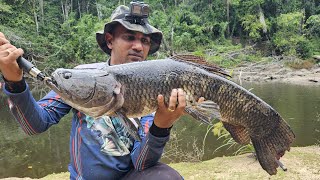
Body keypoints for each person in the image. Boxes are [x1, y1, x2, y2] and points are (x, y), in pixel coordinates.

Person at [0, 3, 203, 180]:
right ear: (109, 40)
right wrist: (14, 82)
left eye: (145, 41)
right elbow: (34, 125)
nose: (138, 46)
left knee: (166, 177)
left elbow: (141, 163)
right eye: (129, 37)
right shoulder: (81, 79)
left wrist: (161, 126)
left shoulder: (154, 90)